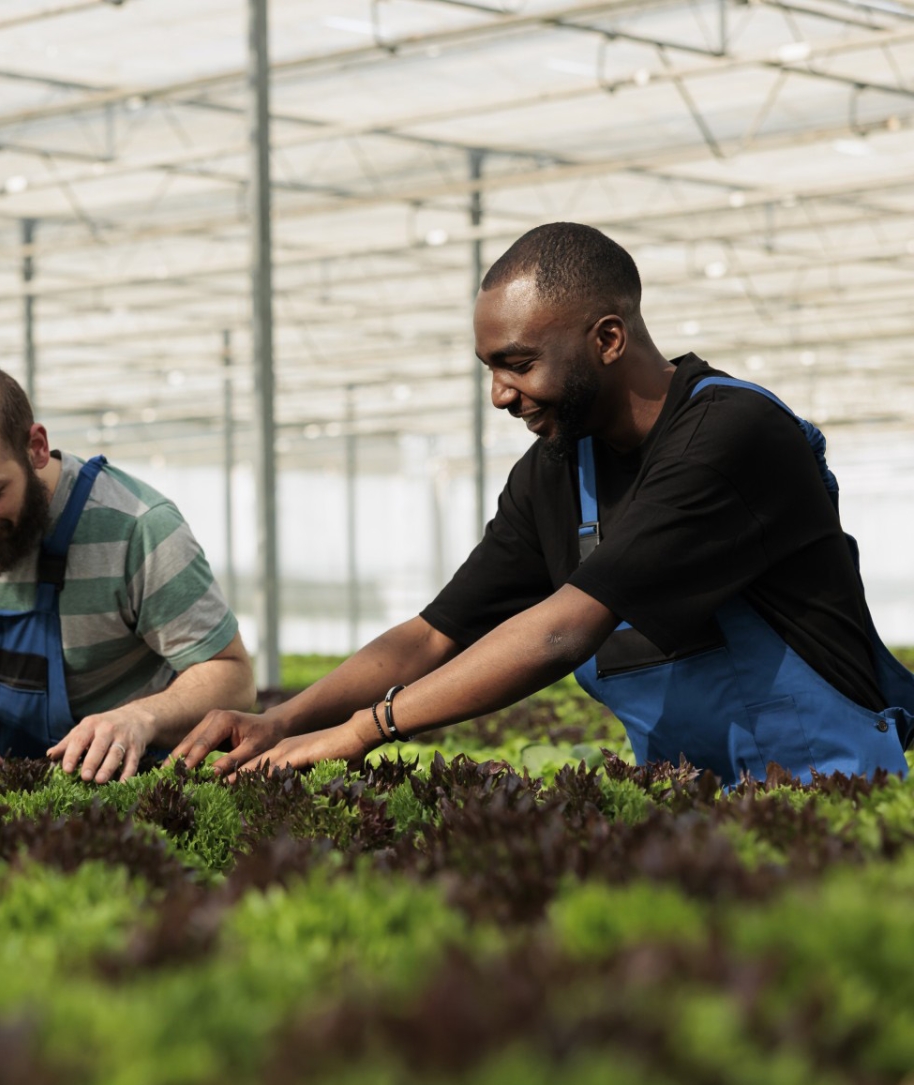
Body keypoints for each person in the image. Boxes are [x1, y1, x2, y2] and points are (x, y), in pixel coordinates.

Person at [175, 222, 914, 784]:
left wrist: (370, 727)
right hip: (682, 800)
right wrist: (283, 720)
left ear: (608, 338)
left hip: (829, 791)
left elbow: (565, 630)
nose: (499, 393)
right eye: (490, 368)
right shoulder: (556, 472)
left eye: (518, 363)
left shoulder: (730, 435)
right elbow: (432, 634)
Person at [0, 361, 256, 783]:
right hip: (0, 778)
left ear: (35, 447)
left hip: (135, 780)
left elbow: (234, 677)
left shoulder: (137, 527)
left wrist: (142, 717)